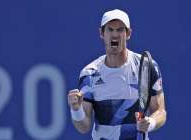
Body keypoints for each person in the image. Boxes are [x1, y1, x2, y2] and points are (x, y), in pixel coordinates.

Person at [67, 9, 166, 140]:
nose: (115, 34)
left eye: (120, 30)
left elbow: (160, 111)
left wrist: (150, 123)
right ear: (101, 33)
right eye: (110, 29)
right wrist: (76, 109)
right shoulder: (89, 74)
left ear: (128, 33)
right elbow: (84, 127)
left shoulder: (147, 66)